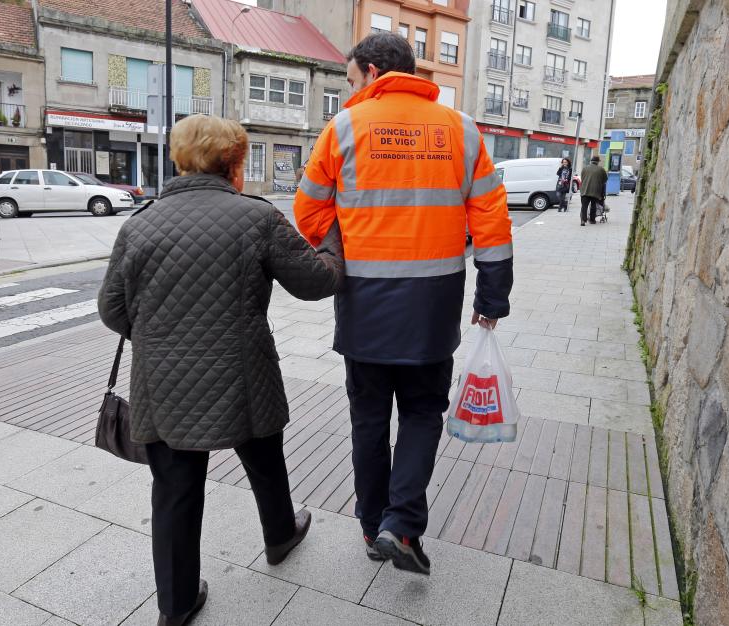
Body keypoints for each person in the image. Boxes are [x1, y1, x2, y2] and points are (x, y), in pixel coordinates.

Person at [98, 115, 344, 626]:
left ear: (179, 159)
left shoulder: (138, 224)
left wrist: (161, 336)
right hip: (243, 374)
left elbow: (112, 310)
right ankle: (280, 535)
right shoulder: (256, 218)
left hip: (163, 381)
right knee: (264, 457)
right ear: (234, 163)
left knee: (174, 490)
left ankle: (176, 604)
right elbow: (316, 283)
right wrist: (334, 239)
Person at [293, 32, 513, 576]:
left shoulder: (344, 127)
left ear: (371, 72)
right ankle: (403, 524)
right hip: (433, 304)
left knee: (368, 419)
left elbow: (308, 212)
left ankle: (374, 526)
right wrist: (491, 296)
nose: (351, 90)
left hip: (364, 302)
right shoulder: (461, 129)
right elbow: (491, 218)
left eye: (351, 80)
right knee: (421, 412)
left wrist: (348, 244)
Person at [580, 155, 608, 226]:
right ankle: (592, 220)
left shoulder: (585, 168)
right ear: (597, 162)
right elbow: (605, 180)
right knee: (593, 206)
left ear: (591, 161)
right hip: (595, 191)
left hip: (585, 190)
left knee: (584, 206)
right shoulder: (601, 169)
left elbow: (582, 178)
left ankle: (583, 220)